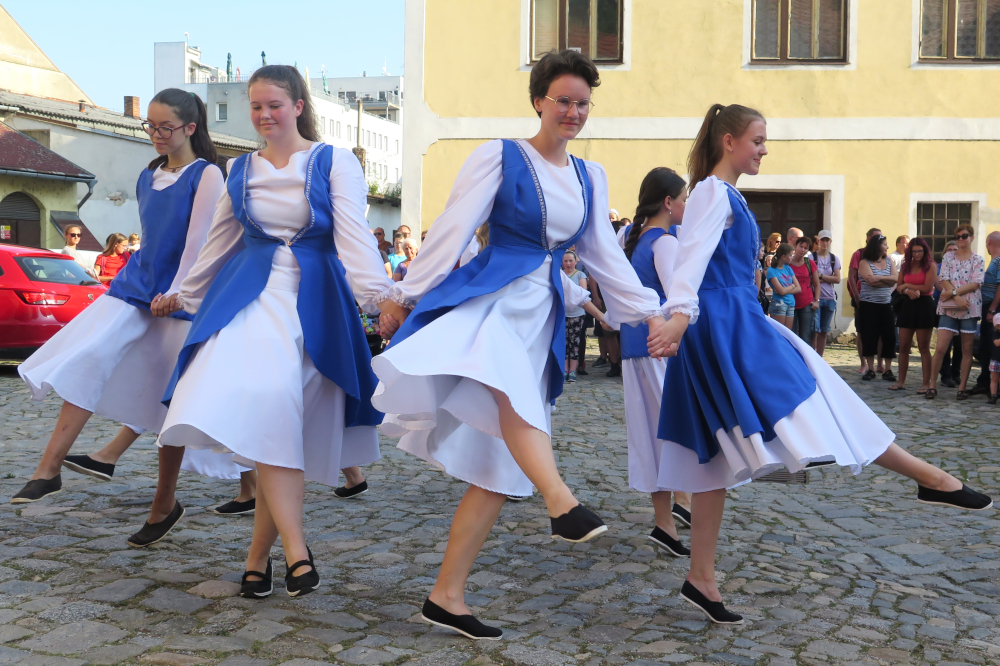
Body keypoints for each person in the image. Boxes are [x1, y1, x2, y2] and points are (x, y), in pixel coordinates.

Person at [646, 103, 991, 626]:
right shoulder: (714, 193)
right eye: (758, 140)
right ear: (729, 142)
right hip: (728, 326)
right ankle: (930, 478)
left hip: (727, 322)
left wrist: (683, 317)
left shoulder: (721, 193)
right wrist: (678, 315)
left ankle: (701, 577)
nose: (764, 149)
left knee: (709, 458)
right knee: (822, 397)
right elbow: (689, 259)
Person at [372, 50, 669, 640]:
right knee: (513, 396)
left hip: (541, 314)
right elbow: (453, 229)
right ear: (538, 100)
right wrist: (403, 292)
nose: (574, 111)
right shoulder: (501, 156)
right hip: (495, 302)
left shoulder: (589, 176)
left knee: (496, 469)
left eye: (583, 103)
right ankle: (560, 502)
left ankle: (446, 595)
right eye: (563, 100)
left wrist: (650, 314)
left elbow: (606, 259)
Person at [151, 65, 392, 598]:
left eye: (273, 106)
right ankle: (297, 552)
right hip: (251, 300)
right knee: (271, 402)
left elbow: (353, 236)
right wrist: (185, 295)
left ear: (299, 106)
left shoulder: (334, 161)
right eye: (255, 107)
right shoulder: (239, 169)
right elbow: (218, 243)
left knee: (278, 425)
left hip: (316, 302)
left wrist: (379, 299)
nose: (263, 115)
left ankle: (257, 561)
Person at [13, 88, 253, 522]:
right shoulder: (148, 174)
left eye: (165, 127)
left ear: (190, 128)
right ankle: (48, 468)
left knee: (171, 394)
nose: (156, 134)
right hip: (137, 284)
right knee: (89, 356)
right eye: (151, 126)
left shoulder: (207, 175)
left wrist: (178, 291)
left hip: (181, 294)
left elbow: (198, 242)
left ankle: (172, 501)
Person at [619, 166, 692, 557]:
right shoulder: (663, 243)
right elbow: (679, 296)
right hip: (661, 348)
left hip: (638, 348)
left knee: (653, 434)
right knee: (675, 433)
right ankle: (677, 510)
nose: (686, 205)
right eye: (683, 199)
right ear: (668, 202)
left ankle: (671, 517)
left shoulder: (641, 240)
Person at [927, 224, 984, 400]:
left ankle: (962, 387)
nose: (960, 239)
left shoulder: (978, 260)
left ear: (972, 238)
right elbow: (944, 278)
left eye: (964, 236)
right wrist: (956, 297)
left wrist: (954, 294)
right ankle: (931, 385)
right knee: (941, 348)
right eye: (958, 236)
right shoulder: (948, 257)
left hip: (969, 307)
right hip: (950, 308)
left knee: (966, 349)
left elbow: (976, 283)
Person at [891, 237, 936, 393]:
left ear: (925, 251)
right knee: (903, 346)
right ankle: (901, 381)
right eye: (914, 251)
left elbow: (927, 287)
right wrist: (906, 290)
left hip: (924, 305)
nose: (917, 254)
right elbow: (898, 286)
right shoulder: (906, 266)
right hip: (907, 304)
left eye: (920, 251)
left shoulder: (931, 266)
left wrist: (907, 285)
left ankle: (926, 383)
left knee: (923, 347)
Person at [856, 234, 898, 381]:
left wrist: (879, 278)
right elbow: (870, 281)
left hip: (886, 304)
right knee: (869, 336)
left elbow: (896, 279)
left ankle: (888, 369)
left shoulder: (889, 261)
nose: (887, 247)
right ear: (877, 246)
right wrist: (888, 281)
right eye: (885, 244)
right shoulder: (864, 262)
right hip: (869, 305)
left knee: (889, 336)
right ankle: (871, 368)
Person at [848, 228, 883, 373]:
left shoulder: (883, 255)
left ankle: (880, 364)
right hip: (862, 297)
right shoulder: (859, 254)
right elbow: (851, 276)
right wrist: (856, 296)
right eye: (875, 237)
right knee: (862, 332)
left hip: (879, 299)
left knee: (880, 332)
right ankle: (864, 364)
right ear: (868, 238)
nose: (879, 240)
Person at [971, 231, 1000, 395]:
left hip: (993, 308)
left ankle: (990, 384)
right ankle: (985, 381)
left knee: (991, 347)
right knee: (985, 346)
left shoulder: (999, 261)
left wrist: (992, 309)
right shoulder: (994, 261)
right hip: (990, 306)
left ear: (989, 243)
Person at [935, 240, 963, 388]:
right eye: (949, 249)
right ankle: (945, 374)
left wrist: (954, 291)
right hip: (945, 308)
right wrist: (958, 291)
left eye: (955, 249)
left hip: (961, 307)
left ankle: (956, 373)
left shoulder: (963, 266)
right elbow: (940, 286)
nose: (952, 252)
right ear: (944, 252)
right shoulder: (939, 267)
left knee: (960, 344)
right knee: (945, 344)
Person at [810, 230, 841, 356]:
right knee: (814, 331)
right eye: (822, 240)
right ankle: (812, 357)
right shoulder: (812, 257)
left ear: (830, 242)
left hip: (829, 298)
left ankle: (820, 357)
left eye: (827, 240)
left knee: (824, 331)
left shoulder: (834, 259)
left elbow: (838, 279)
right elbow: (811, 278)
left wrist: (821, 276)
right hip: (815, 297)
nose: (825, 243)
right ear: (818, 241)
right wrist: (828, 278)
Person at [562, 250, 589, 382]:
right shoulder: (559, 275)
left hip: (577, 314)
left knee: (575, 342)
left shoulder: (580, 275)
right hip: (562, 313)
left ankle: (572, 369)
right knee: (563, 342)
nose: (568, 263)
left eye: (570, 261)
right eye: (565, 261)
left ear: (576, 261)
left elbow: (582, 294)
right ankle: (563, 369)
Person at [789, 237, 819, 344]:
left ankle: (805, 360)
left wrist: (817, 301)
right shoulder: (788, 263)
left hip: (807, 303)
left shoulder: (809, 263)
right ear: (795, 246)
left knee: (805, 337)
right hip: (791, 303)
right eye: (800, 246)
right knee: (791, 335)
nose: (802, 250)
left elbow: (816, 284)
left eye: (805, 248)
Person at [766, 244, 799, 329]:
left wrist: (785, 290)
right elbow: (781, 291)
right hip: (779, 303)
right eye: (791, 255)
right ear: (784, 257)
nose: (792, 257)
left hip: (791, 303)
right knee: (780, 333)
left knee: (788, 333)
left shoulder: (788, 268)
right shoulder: (771, 270)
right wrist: (792, 286)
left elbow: (798, 288)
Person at [988, 313, 1000, 405]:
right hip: (996, 360)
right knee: (994, 379)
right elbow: (997, 343)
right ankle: (993, 395)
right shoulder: (995, 334)